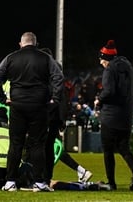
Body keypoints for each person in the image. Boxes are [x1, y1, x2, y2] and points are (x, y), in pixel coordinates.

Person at [0, 32, 64, 192]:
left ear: (20, 44)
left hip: (17, 106)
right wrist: (55, 99)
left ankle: (10, 182)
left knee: (15, 144)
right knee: (38, 145)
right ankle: (39, 182)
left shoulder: (11, 57)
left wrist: (2, 99)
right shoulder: (45, 58)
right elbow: (59, 77)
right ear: (36, 44)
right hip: (39, 105)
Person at [39, 47, 93, 184]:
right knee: (51, 148)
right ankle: (79, 170)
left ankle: (43, 178)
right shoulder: (56, 74)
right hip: (55, 118)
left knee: (47, 148)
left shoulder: (50, 76)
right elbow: (63, 100)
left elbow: (60, 100)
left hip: (49, 117)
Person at [93, 39, 133, 191]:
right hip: (126, 115)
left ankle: (111, 183)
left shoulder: (110, 70)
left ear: (106, 58)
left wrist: (98, 101)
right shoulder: (130, 68)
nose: (101, 63)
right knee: (123, 147)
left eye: (101, 59)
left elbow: (109, 91)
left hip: (110, 116)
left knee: (107, 150)